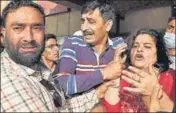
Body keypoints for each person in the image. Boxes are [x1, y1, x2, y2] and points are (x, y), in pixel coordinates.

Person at [54, 0, 127, 112]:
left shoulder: (117, 46)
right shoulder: (72, 43)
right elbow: (62, 85)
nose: (84, 27)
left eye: (91, 21)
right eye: (83, 21)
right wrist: (103, 73)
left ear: (107, 25)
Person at [102, 28, 175, 112]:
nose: (139, 50)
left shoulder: (172, 77)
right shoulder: (123, 77)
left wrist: (151, 93)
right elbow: (109, 110)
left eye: (147, 46)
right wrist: (114, 78)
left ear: (158, 52)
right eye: (135, 46)